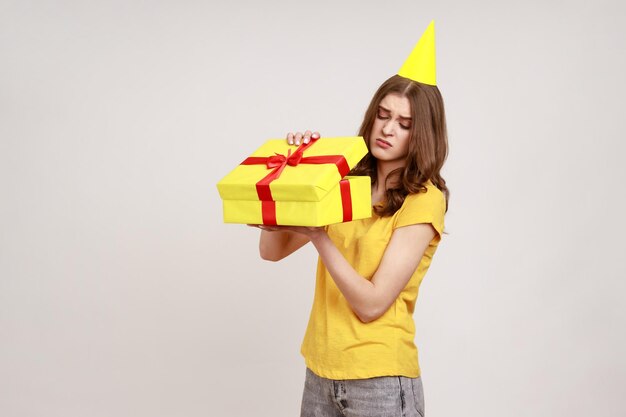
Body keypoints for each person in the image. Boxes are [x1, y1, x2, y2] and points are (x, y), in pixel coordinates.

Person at [252, 22, 448, 417]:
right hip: (320, 373)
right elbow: (271, 251)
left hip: (381, 381)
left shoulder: (424, 199)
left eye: (404, 124)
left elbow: (372, 305)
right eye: (383, 115)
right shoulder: (342, 179)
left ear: (421, 134)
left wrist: (320, 236)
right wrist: (298, 173)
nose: (388, 129)